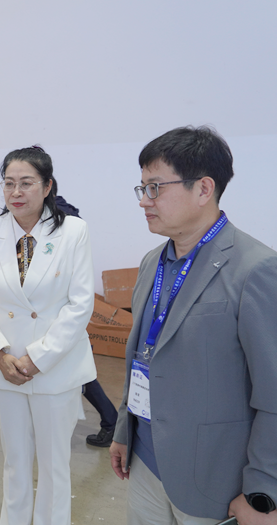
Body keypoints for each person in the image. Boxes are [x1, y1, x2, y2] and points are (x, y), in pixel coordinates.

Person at [110, 126, 277, 525]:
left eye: (155, 188)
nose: (144, 201)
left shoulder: (255, 270)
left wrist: (263, 492)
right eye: (142, 188)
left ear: (203, 189)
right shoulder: (152, 262)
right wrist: (124, 430)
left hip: (213, 479)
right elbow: (142, 357)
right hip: (145, 461)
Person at [0, 145, 96, 525]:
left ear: (47, 186)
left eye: (26, 183)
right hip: (4, 368)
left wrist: (38, 358)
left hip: (55, 367)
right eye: (9, 183)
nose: (16, 192)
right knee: (15, 462)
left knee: (55, 467)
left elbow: (80, 304)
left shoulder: (73, 232)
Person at [55, 195, 118, 448]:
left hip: (60, 308)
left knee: (77, 369)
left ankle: (112, 422)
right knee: (76, 367)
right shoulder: (60, 211)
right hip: (59, 305)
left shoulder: (58, 214)